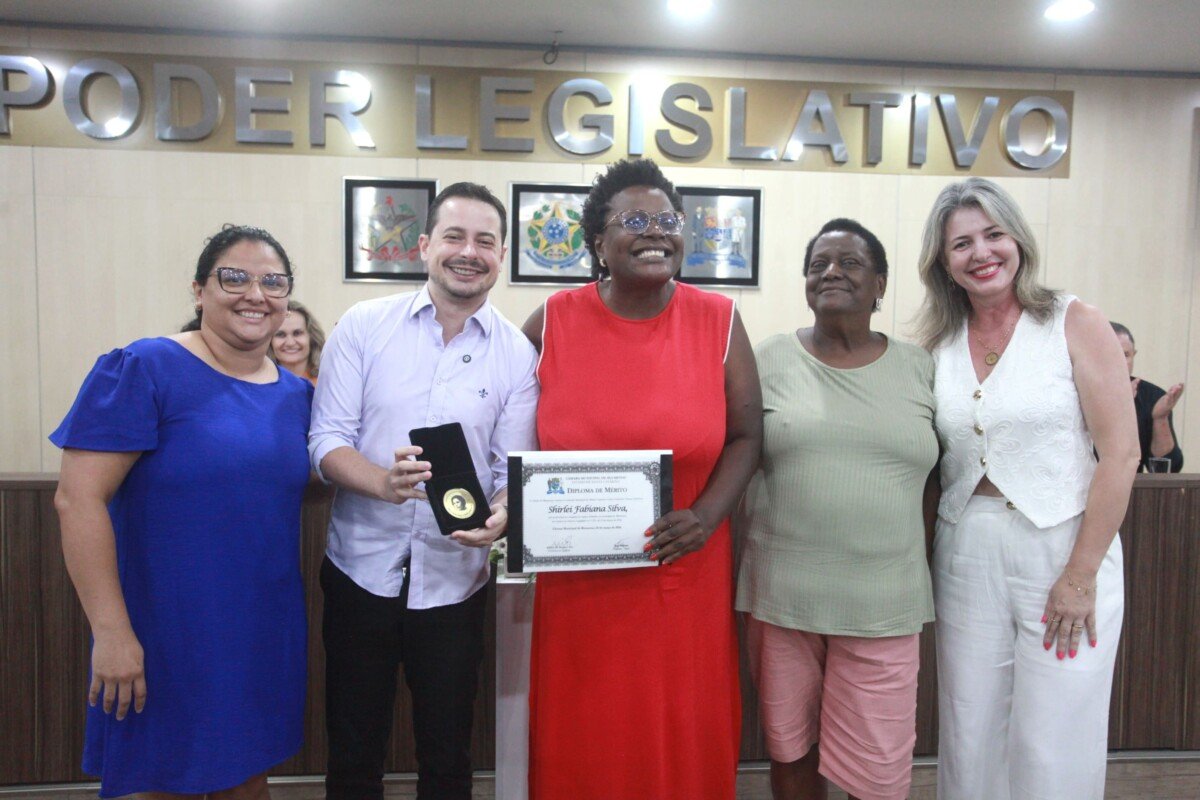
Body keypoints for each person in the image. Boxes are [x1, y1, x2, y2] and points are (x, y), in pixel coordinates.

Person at [522, 158, 762, 800]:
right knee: (585, 740)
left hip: (681, 573)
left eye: (668, 220)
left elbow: (747, 436)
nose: (655, 231)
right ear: (597, 242)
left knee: (679, 735)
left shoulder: (719, 320)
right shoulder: (551, 322)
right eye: (633, 220)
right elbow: (505, 434)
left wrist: (707, 516)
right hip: (578, 587)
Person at [51, 225, 312, 799]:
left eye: (273, 282)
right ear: (199, 290)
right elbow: (77, 500)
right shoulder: (145, 367)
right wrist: (111, 633)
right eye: (234, 278)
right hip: (167, 628)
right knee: (168, 780)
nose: (255, 294)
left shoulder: (296, 395)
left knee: (249, 778)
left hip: (262, 626)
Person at [308, 182, 538, 800]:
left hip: (455, 582)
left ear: (501, 255)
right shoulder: (364, 326)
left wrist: (502, 516)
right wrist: (382, 483)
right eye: (454, 237)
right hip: (361, 571)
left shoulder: (516, 353)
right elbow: (326, 440)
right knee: (353, 748)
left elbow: (512, 469)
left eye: (485, 241)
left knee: (448, 753)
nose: (469, 252)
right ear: (424, 245)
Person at [915, 177, 1139, 799]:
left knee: (1054, 734)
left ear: (1018, 240)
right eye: (961, 243)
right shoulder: (936, 344)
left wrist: (1080, 576)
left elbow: (1122, 454)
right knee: (970, 727)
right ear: (943, 261)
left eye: (994, 234)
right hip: (965, 549)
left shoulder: (1074, 321)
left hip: (1064, 546)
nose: (981, 253)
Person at [737, 218, 939, 800]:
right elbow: (731, 452)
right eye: (818, 264)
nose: (831, 272)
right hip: (783, 598)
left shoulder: (921, 366)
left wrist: (917, 555)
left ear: (880, 285)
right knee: (790, 748)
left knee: (878, 772)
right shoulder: (765, 359)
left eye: (850, 263)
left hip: (886, 601)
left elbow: (940, 475)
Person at [1110, 322, 1184, 471]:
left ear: (1134, 355)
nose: (1120, 362)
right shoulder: (1071, 393)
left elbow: (1167, 469)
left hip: (1130, 484)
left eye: (1125, 355)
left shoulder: (1153, 397)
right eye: (1112, 354)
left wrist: (1160, 419)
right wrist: (1118, 407)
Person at [271, 299, 325, 383]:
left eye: (297, 333)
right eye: (280, 334)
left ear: (312, 337)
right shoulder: (259, 382)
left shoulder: (328, 381)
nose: (290, 343)